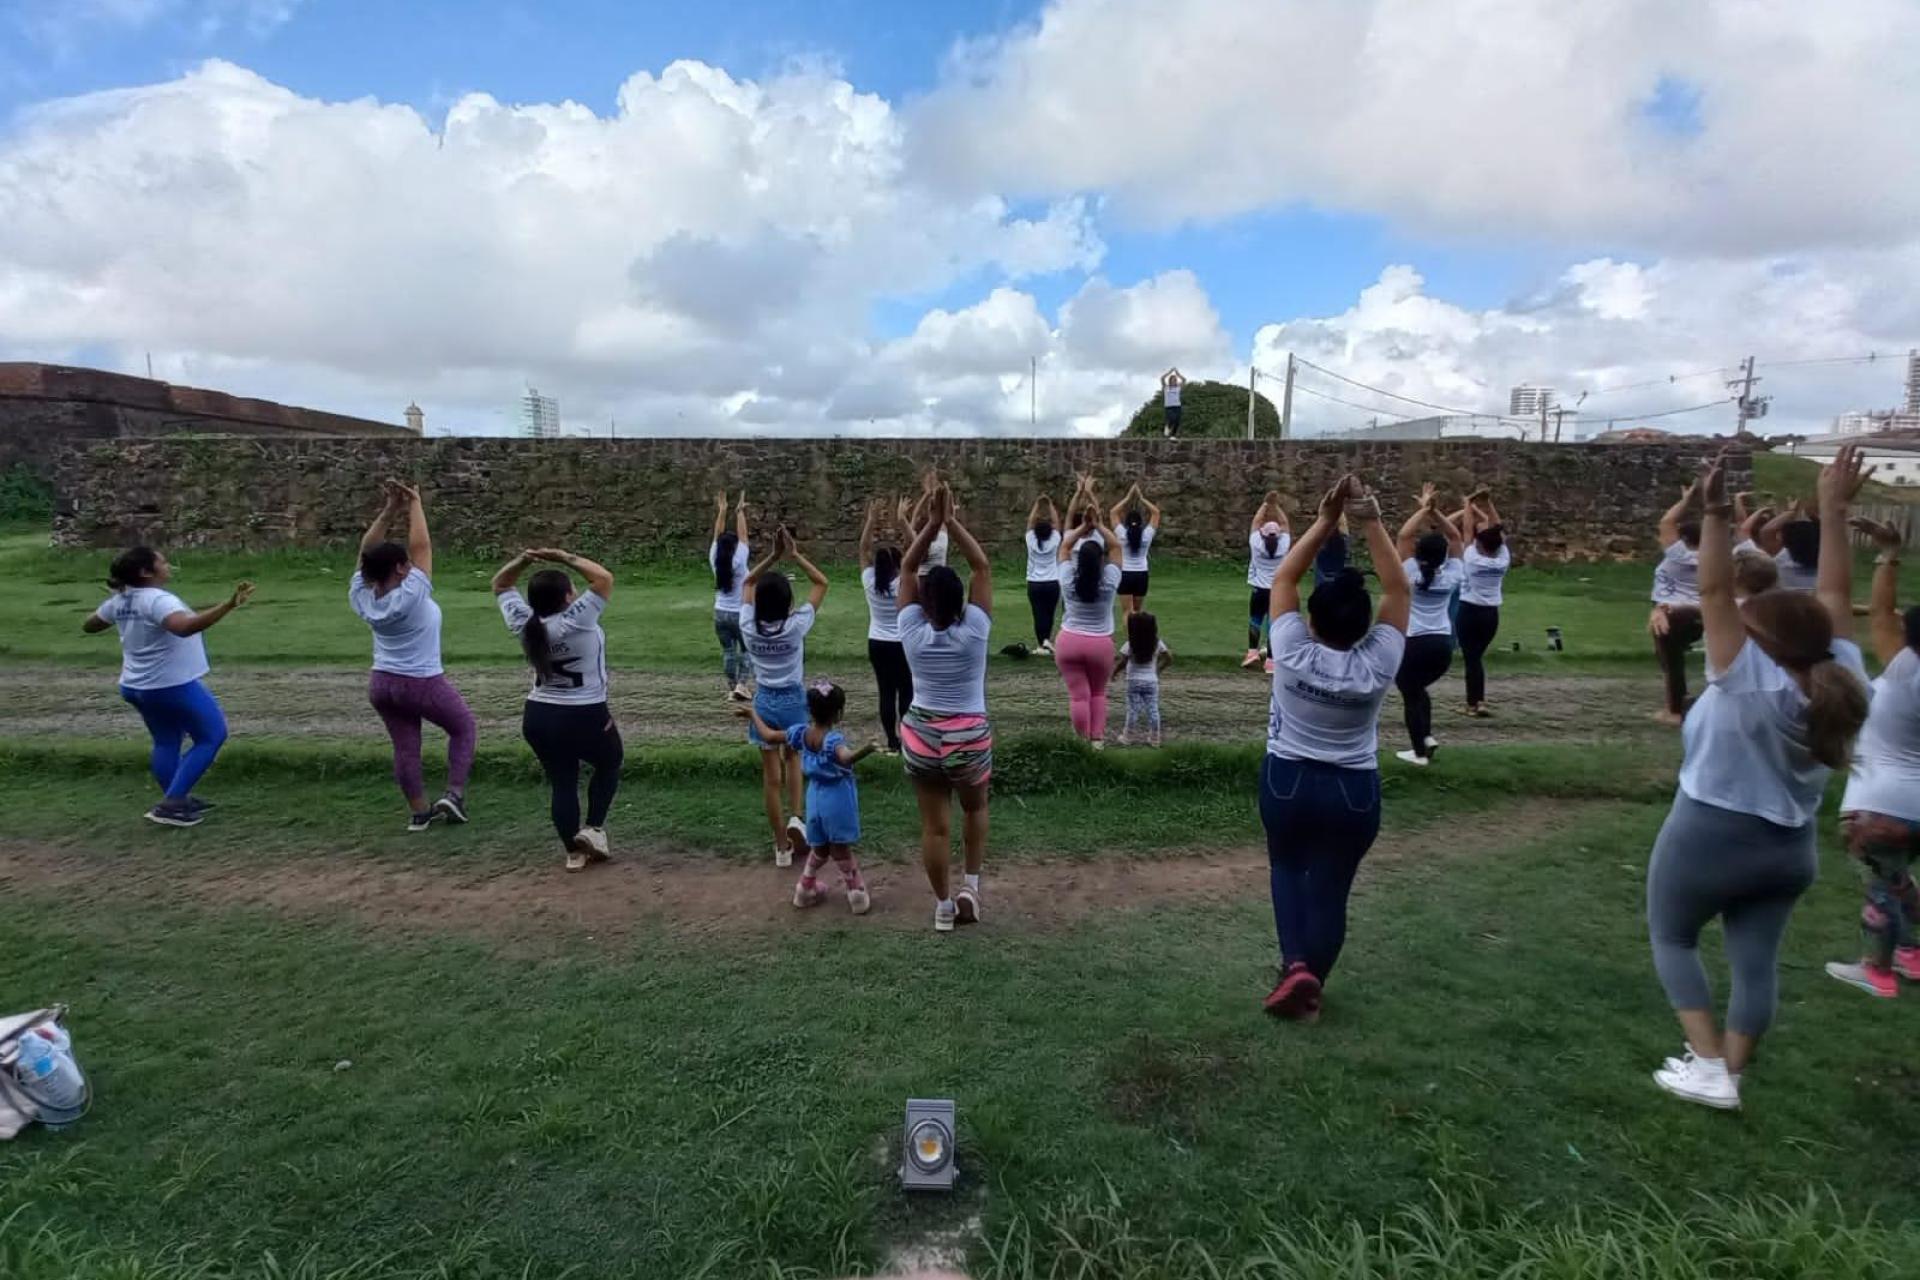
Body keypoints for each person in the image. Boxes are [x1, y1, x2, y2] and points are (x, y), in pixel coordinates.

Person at [1645, 446, 1872, 1111]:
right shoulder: (1844, 673)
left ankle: (1709, 1065)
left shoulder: (1749, 679)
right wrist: (1834, 512)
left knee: (1672, 936)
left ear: (1760, 643)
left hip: (1712, 829)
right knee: (1755, 961)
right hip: (1791, 845)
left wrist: (1716, 511)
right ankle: (1731, 1073)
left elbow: (1714, 589)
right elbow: (1831, 596)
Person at [1259, 476, 1410, 1020]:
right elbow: (1398, 591)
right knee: (1333, 887)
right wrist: (1370, 519)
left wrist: (1325, 520)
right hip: (1353, 789)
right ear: (1366, 625)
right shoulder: (1379, 661)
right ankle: (1310, 983)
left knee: (1286, 866)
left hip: (1289, 781)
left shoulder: (1293, 649)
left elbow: (1284, 577)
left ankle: (1295, 964)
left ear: (1312, 620)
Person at [82, 547, 253, 827]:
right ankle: (172, 804)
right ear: (146, 572)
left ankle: (178, 797)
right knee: (212, 735)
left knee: (166, 741)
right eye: (162, 562)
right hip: (169, 684)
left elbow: (89, 625)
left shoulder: (121, 600)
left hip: (135, 685)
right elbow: (184, 627)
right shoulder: (157, 600)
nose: (168, 565)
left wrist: (119, 604)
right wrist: (228, 605)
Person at [1824, 516, 1920, 998]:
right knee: (1900, 880)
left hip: (1880, 805)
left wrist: (1888, 555)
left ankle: (1876, 972)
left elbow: (1880, 612)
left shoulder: (1907, 672)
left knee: (1881, 887)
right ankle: (1913, 953)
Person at [350, 481, 477, 832]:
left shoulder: (361, 595)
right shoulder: (411, 596)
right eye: (407, 564)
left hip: (381, 683)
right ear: (402, 569)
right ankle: (453, 795)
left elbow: (367, 551)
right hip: (420, 681)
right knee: (464, 727)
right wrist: (416, 502)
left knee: (406, 747)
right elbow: (422, 546)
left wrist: (391, 508)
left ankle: (420, 812)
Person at [897, 485, 995, 932]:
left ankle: (941, 907)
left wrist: (932, 525)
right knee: (974, 809)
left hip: (920, 731)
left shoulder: (911, 630)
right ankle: (970, 888)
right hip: (968, 734)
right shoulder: (975, 630)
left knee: (934, 828)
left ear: (923, 602)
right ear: (962, 602)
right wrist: (951, 520)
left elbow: (907, 565)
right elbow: (981, 566)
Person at [492, 547, 622, 873]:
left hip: (538, 716)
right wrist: (564, 557)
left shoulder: (525, 622)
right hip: (585, 713)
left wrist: (522, 560)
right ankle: (592, 829)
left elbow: (500, 584)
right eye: (573, 590)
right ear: (568, 597)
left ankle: (573, 853)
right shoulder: (577, 620)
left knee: (563, 782)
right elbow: (603, 578)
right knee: (610, 763)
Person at [741, 680, 877, 914]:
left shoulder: (800, 734)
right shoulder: (833, 740)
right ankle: (857, 894)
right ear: (839, 714)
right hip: (837, 800)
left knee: (821, 848)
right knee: (840, 849)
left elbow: (769, 736)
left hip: (814, 798)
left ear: (809, 710)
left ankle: (805, 890)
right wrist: (867, 749)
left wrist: (753, 713)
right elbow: (845, 758)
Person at [740, 527, 830, 868]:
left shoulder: (748, 625)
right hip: (794, 699)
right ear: (789, 603)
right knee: (794, 760)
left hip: (764, 701)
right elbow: (822, 583)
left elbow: (747, 583)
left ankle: (780, 847)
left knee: (770, 777)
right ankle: (797, 818)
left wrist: (772, 557)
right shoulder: (795, 626)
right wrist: (794, 555)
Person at [1392, 484, 1465, 766]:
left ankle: (1419, 753)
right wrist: (1436, 512)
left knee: (1410, 692)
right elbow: (1455, 536)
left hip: (1414, 643)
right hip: (1442, 644)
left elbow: (1403, 535)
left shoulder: (1410, 572)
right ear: (1444, 556)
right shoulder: (1451, 576)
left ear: (1417, 553)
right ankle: (1426, 737)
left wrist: (1424, 510)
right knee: (1418, 689)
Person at [1055, 474, 1124, 748]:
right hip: (1099, 644)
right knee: (1098, 693)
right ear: (1101, 560)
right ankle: (1096, 742)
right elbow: (1117, 546)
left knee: (1078, 697)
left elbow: (1064, 546)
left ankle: (1080, 741)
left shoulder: (1068, 578)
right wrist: (1095, 526)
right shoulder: (1108, 581)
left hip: (1069, 641)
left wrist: (1083, 528)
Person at [1649, 481, 1705, 725]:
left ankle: (1674, 712)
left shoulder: (1678, 554)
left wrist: (1686, 501)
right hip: (1698, 613)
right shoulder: (1711, 557)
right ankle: (1677, 707)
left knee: (1671, 663)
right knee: (1673, 662)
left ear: (1682, 539)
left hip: (1672, 613)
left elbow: (1666, 523)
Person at [860, 499, 913, 755]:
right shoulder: (902, 583)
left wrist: (871, 521)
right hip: (902, 643)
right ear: (897, 565)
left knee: (885, 692)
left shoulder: (870, 581)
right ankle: (906, 739)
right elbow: (915, 549)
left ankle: (891, 740)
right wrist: (903, 520)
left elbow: (862, 550)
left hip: (877, 642)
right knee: (906, 691)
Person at [1455, 487, 1509, 718]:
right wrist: (1489, 504)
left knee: (1472, 658)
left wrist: (1468, 504)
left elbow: (1467, 530)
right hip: (1491, 615)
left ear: (1479, 544)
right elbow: (1499, 531)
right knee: (1476, 657)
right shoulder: (1502, 559)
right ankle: (1478, 701)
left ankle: (1475, 703)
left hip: (1468, 611)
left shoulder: (1472, 558)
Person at [711, 491, 751, 701]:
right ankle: (742, 686)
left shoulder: (715, 559)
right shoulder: (740, 560)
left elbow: (717, 535)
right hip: (740, 614)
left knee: (728, 651)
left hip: (720, 613)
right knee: (746, 650)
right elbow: (744, 536)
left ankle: (731, 686)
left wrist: (722, 511)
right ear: (734, 547)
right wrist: (739, 512)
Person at [1244, 491, 1291, 672]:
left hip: (1258, 590)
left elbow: (1256, 522)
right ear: (1278, 535)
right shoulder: (1283, 545)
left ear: (1263, 534)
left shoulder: (1257, 543)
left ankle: (1252, 653)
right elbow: (1285, 524)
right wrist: (1276, 505)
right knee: (1273, 624)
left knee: (1255, 620)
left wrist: (1266, 504)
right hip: (1276, 591)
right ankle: (1271, 661)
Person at [1113, 610, 1172, 747]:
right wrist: (1158, 669)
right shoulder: (1157, 643)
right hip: (1151, 681)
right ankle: (1155, 738)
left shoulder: (1130, 644)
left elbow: (1123, 662)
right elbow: (1169, 658)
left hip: (1133, 681)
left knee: (1133, 710)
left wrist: (1114, 673)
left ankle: (1127, 737)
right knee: (1153, 709)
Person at [1109, 482, 1162, 614]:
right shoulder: (1146, 536)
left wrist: (1128, 497)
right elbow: (1156, 513)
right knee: (1137, 611)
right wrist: (1142, 498)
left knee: (1127, 611)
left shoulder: (1122, 534)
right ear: (1141, 523)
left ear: (1126, 522)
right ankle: (1137, 635)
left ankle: (1129, 635)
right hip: (1141, 574)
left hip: (1125, 574)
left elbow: (1113, 513)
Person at [1023, 494, 1063, 654]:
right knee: (1049, 613)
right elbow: (1056, 523)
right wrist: (1050, 504)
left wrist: (1037, 504)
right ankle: (1046, 641)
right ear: (1050, 531)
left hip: (1034, 583)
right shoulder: (1054, 539)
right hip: (1052, 582)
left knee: (1038, 614)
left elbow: (1030, 522)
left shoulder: (1031, 539)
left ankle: (1042, 644)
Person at [1756, 503, 1820, 592]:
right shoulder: (1828, 562)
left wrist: (1793, 511)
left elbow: (1766, 531)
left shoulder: (1780, 562)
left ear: (1787, 542)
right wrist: (1812, 515)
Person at [1160, 368, 1186, 438]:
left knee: (1177, 421)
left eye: (1175, 380)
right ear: (1170, 381)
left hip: (1177, 406)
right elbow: (1162, 378)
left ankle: (1173, 435)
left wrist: (1178, 374)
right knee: (1172, 419)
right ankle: (1167, 428)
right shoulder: (1166, 387)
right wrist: (1169, 372)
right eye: (1172, 380)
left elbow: (1184, 380)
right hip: (1169, 407)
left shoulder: (1178, 387)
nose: (1174, 381)